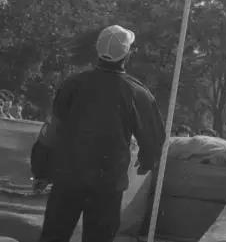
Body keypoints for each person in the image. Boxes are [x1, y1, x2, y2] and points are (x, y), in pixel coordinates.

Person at [32, 24, 165, 242]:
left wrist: (41, 170)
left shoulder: (72, 84)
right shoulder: (137, 92)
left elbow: (51, 131)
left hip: (67, 179)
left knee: (53, 237)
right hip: (107, 185)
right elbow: (155, 137)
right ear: (127, 55)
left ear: (97, 49)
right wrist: (148, 159)